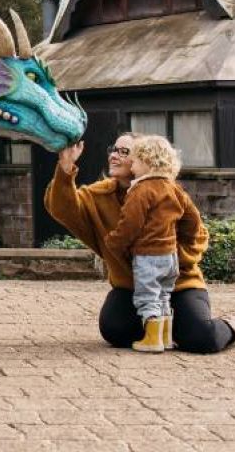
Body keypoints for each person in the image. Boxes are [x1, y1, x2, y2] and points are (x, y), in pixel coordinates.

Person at [47, 133, 235, 353]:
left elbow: (198, 236)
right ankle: (164, 330)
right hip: (132, 286)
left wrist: (169, 259)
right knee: (114, 329)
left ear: (144, 159)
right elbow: (62, 208)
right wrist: (65, 170)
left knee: (201, 338)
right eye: (113, 149)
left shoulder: (168, 191)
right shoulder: (99, 195)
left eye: (124, 151)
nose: (114, 155)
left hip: (179, 283)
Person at [102, 135, 196, 352]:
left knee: (147, 297)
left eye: (134, 161)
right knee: (163, 296)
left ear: (147, 162)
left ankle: (152, 340)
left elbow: (130, 225)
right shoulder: (173, 189)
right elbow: (192, 221)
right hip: (170, 256)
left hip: (148, 256)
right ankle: (165, 338)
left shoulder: (141, 190)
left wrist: (113, 243)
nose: (132, 167)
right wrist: (183, 242)